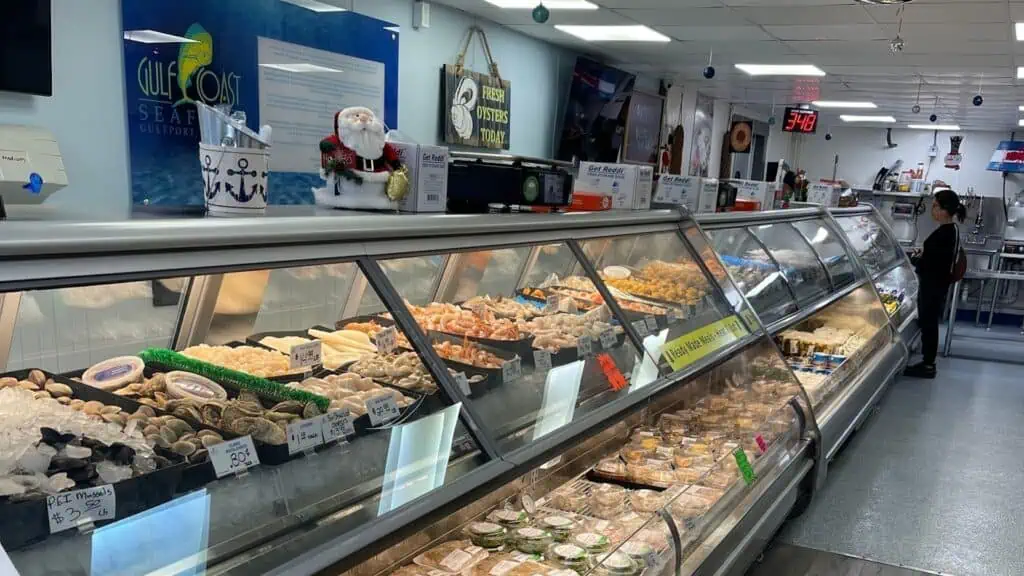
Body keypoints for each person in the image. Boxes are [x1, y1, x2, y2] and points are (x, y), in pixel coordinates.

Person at [904, 188, 967, 378]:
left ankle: (928, 364)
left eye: (936, 207)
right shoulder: (950, 230)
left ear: (945, 209)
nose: (933, 211)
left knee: (928, 322)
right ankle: (928, 361)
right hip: (937, 284)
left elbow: (934, 263)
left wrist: (916, 260)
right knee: (929, 321)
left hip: (933, 285)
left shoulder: (945, 233)